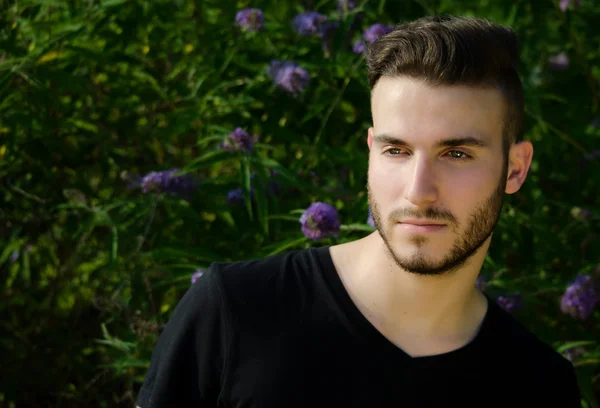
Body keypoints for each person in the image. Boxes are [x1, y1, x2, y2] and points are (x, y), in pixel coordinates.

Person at [135, 15, 582, 408]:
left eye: (457, 154)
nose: (418, 191)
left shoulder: (540, 386)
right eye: (397, 150)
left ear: (516, 168)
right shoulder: (234, 313)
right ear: (370, 152)